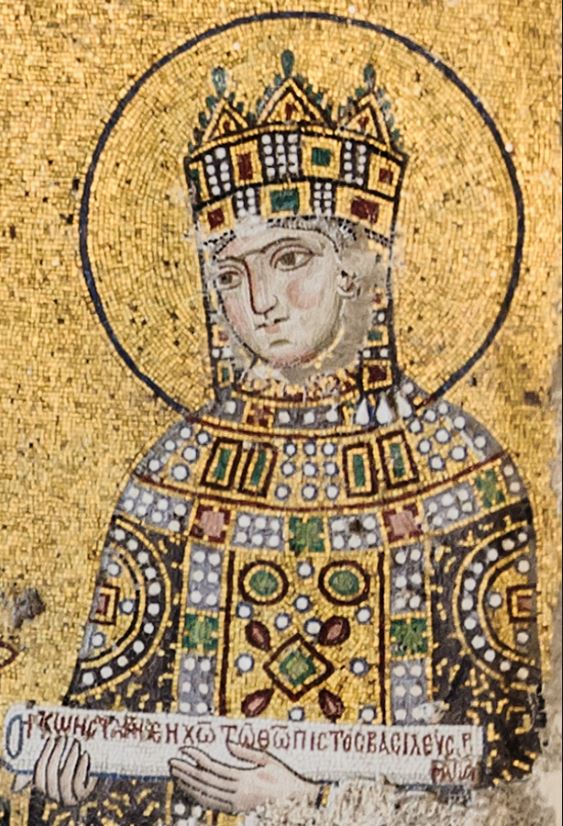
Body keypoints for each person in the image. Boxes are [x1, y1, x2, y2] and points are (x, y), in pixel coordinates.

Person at [29, 54, 543, 825]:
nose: (261, 301)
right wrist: (72, 788)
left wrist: (306, 803)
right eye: (230, 274)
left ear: (355, 266)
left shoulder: (464, 481)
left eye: (289, 258)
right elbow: (113, 733)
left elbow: (513, 784)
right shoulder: (171, 483)